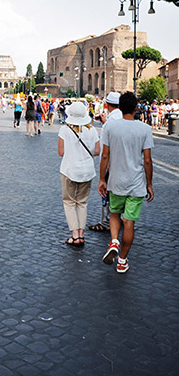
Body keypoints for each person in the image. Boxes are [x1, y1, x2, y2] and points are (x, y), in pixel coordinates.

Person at [98, 91, 154, 273]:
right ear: (136, 107)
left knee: (114, 213)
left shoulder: (110, 127)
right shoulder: (145, 129)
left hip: (116, 181)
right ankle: (122, 260)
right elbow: (147, 160)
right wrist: (149, 184)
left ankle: (114, 241)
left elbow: (105, 155)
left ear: (120, 107)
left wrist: (101, 179)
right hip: (136, 183)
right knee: (129, 222)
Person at [58, 102, 100, 246]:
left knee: (69, 202)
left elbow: (61, 152)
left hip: (69, 169)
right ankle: (81, 235)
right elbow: (97, 151)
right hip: (87, 170)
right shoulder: (92, 130)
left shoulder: (64, 130)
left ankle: (75, 236)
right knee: (82, 203)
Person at [89, 91, 122, 233]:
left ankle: (106, 222)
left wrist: (103, 171)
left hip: (111, 163)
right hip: (124, 163)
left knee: (106, 193)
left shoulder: (110, 123)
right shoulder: (123, 118)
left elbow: (105, 149)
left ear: (107, 105)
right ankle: (119, 218)